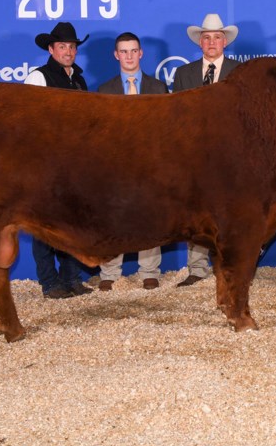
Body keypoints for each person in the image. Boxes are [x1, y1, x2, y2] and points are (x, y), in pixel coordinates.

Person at [24, 21, 94, 299]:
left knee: (71, 222)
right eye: (62, 46)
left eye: (72, 46)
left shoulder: (78, 79)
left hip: (74, 163)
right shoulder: (38, 78)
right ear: (51, 49)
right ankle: (50, 283)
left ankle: (72, 278)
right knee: (44, 224)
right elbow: (28, 122)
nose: (68, 51)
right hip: (45, 161)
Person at [171, 13, 241, 287]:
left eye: (216, 37)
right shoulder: (184, 73)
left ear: (225, 42)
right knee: (196, 211)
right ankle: (197, 268)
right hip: (193, 155)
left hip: (229, 154)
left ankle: (227, 264)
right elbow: (175, 115)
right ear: (200, 42)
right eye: (207, 37)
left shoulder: (237, 72)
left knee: (230, 211)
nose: (212, 42)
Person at [96, 32, 169, 291]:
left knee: (149, 215)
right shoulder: (105, 90)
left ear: (141, 53)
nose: (129, 56)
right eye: (123, 51)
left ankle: (149, 270)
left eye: (133, 51)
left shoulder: (158, 88)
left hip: (149, 164)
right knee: (112, 216)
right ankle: (110, 271)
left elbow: (165, 131)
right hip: (115, 165)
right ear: (116, 55)